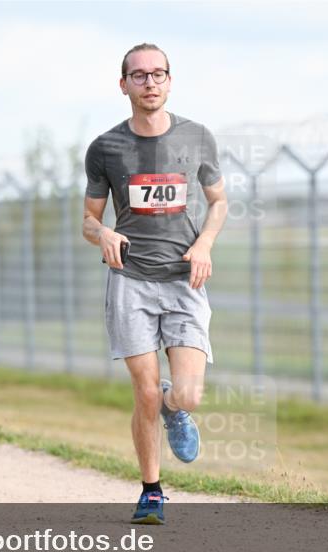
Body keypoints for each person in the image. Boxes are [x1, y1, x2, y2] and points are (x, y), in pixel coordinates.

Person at [82, 43, 228, 525]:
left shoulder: (198, 137)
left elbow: (219, 202)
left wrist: (204, 243)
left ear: (169, 81)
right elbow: (87, 219)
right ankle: (151, 492)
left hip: (184, 280)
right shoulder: (106, 148)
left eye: (158, 74)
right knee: (142, 392)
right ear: (123, 84)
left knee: (186, 394)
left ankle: (174, 406)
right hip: (131, 281)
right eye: (139, 76)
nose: (150, 83)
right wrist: (102, 232)